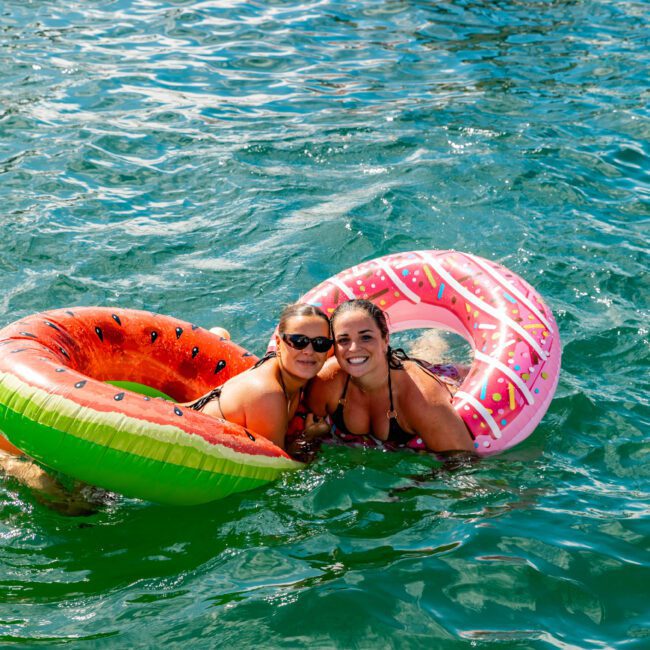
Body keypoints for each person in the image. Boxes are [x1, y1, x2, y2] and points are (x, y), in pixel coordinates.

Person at [304, 299, 475, 454]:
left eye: (366, 337)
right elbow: (299, 434)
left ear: (386, 338)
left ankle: (434, 336)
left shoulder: (422, 399)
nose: (354, 348)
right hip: (389, 364)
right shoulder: (327, 381)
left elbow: (463, 462)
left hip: (446, 378)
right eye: (343, 340)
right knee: (417, 354)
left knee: (432, 354)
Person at [187, 303, 332, 450]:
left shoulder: (295, 379)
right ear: (278, 342)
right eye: (298, 341)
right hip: (184, 444)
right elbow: (276, 468)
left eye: (321, 343)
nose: (309, 351)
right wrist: (309, 437)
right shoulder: (267, 394)